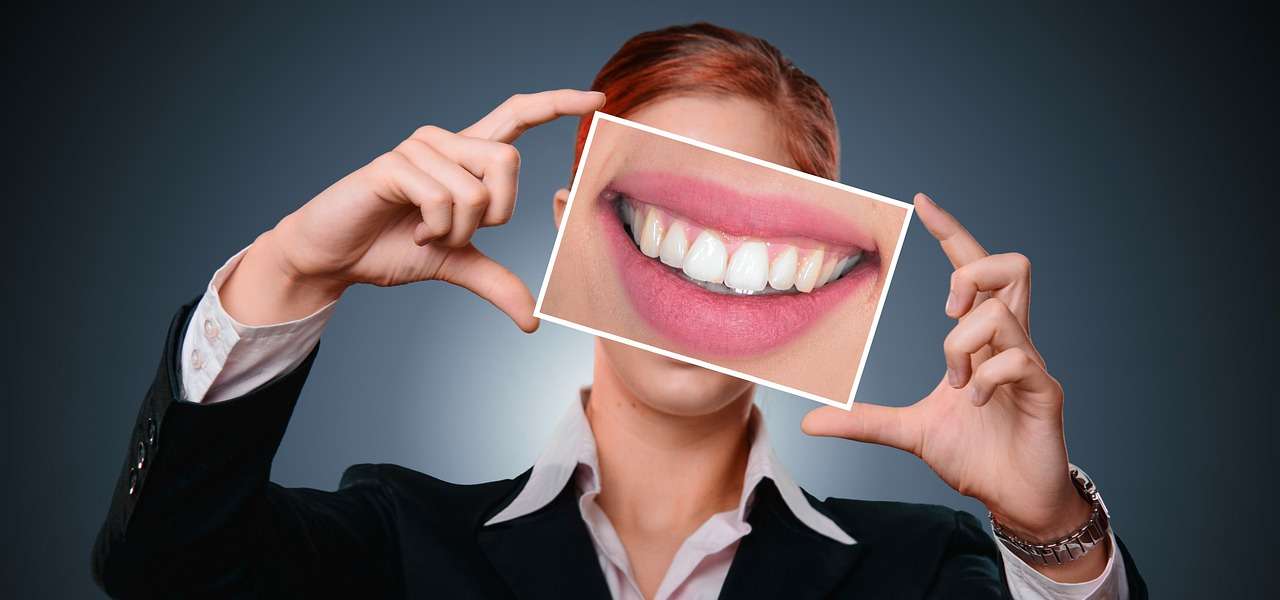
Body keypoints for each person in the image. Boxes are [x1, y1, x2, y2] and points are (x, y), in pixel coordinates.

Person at [91, 23, 1144, 599]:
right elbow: (167, 569)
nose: (721, 258)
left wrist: (1046, 529)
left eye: (769, 215)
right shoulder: (397, 541)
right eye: (662, 190)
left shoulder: (922, 568)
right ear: (567, 220)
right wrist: (289, 273)